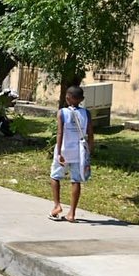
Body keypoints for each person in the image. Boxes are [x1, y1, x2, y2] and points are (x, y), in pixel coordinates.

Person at [49, 85, 94, 223]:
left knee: (55, 176)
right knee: (76, 180)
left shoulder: (62, 113)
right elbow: (91, 134)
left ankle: (57, 206)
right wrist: (89, 151)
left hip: (64, 150)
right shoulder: (86, 113)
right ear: (81, 99)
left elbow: (60, 133)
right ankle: (72, 213)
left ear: (67, 98)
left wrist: (59, 152)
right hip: (79, 152)